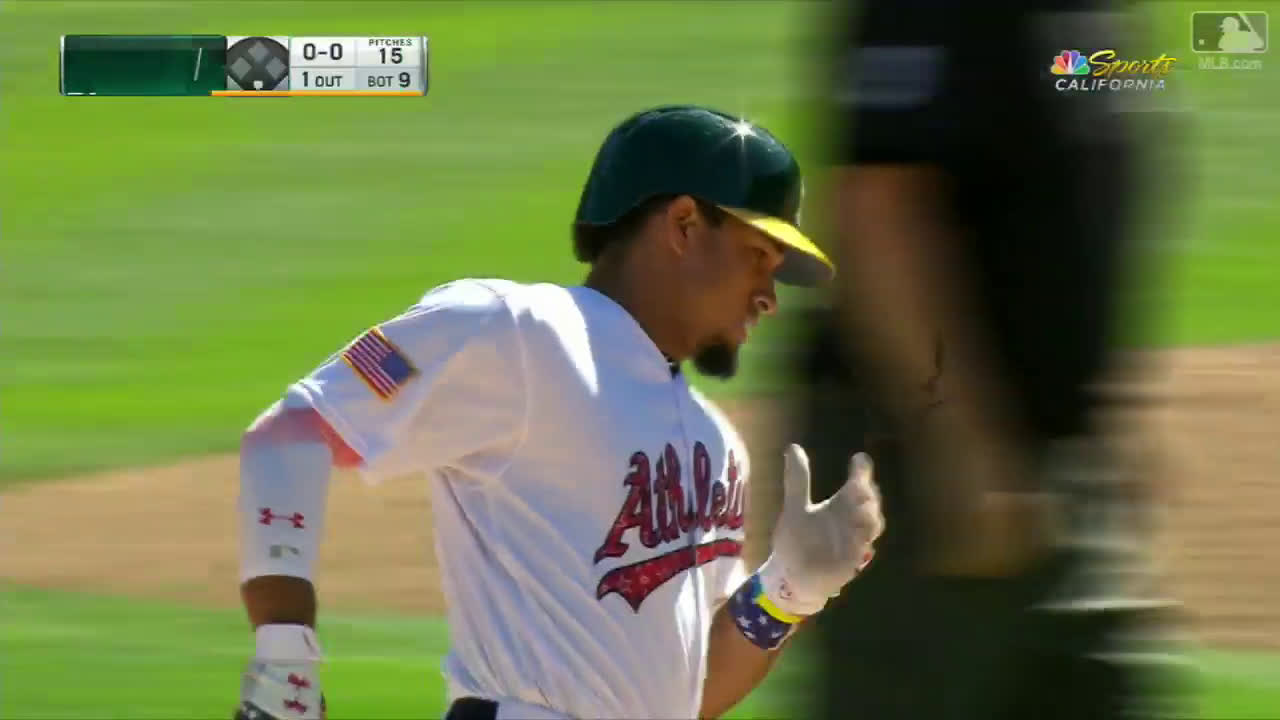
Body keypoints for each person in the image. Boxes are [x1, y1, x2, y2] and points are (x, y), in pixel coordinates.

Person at [232, 105, 885, 720]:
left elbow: (691, 694)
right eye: (758, 257)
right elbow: (291, 437)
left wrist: (788, 591)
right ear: (684, 225)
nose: (769, 296)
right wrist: (285, 653)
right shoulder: (514, 329)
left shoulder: (715, 442)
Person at [790, 0, 1190, 718]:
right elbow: (877, 213)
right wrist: (959, 446)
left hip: (1059, 468)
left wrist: (1109, 419)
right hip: (920, 469)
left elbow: (1074, 198)